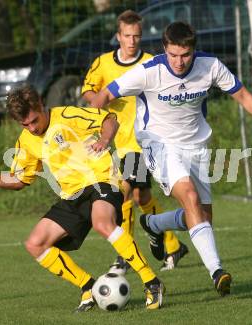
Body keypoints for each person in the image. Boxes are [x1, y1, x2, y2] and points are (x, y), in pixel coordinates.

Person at [91, 21, 252, 297]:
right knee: (191, 197)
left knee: (202, 218)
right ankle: (217, 271)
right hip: (158, 143)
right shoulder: (149, 71)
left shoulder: (210, 66)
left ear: (193, 51)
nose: (179, 61)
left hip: (196, 146)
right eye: (173, 54)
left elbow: (242, 95)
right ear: (164, 49)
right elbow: (103, 96)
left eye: (185, 55)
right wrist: (94, 132)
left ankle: (154, 224)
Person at [0, 85, 164, 311]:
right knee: (35, 243)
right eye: (25, 124)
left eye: (34, 121)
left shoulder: (67, 115)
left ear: (41, 105)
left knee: (102, 222)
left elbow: (110, 119)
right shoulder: (26, 140)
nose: (32, 128)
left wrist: (105, 140)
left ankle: (152, 282)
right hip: (72, 195)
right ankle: (88, 287)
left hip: (102, 180)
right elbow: (19, 180)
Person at [81, 10, 188, 273]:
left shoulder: (152, 62)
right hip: (122, 142)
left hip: (146, 141)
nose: (132, 41)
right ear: (118, 36)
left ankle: (125, 256)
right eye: (127, 36)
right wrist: (104, 98)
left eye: (137, 36)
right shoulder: (104, 63)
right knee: (142, 196)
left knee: (125, 191)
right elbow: (87, 90)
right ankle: (174, 246)